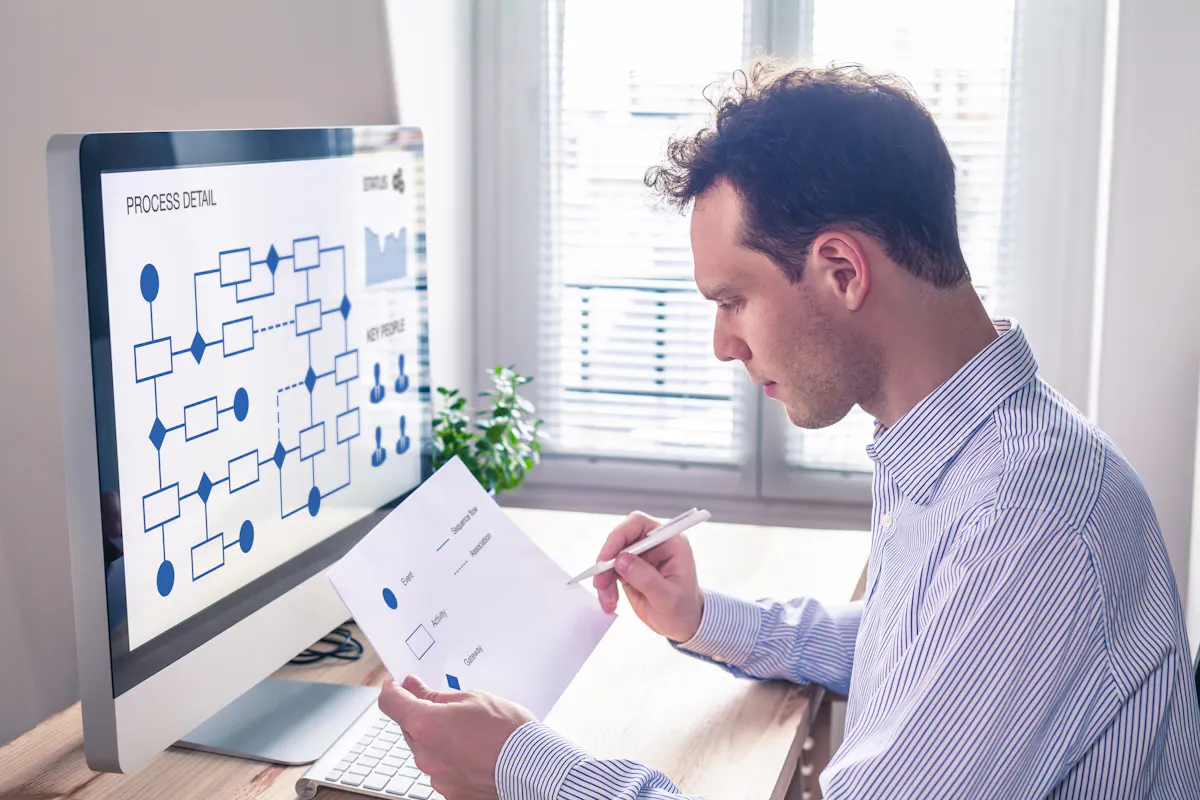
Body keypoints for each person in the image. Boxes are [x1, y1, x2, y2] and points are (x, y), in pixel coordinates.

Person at [378, 61, 1200, 799]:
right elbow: (905, 653)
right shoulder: (976, 446)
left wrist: (524, 766)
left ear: (843, 272)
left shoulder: (1030, 523)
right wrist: (701, 615)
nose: (721, 344)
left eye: (733, 300)